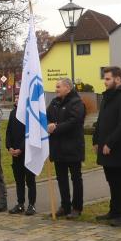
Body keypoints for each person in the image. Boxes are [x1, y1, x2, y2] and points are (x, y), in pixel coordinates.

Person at [92, 66, 121, 227]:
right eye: (105, 78)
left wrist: (110, 143)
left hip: (118, 148)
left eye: (108, 79)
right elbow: (101, 121)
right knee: (111, 180)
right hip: (105, 146)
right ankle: (114, 211)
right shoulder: (106, 97)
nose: (105, 81)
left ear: (118, 79)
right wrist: (96, 140)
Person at [46, 78, 86, 219]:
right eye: (56, 87)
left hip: (73, 147)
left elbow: (74, 122)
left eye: (58, 86)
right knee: (61, 178)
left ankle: (76, 207)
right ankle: (65, 205)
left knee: (76, 178)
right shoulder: (54, 102)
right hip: (57, 147)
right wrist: (49, 124)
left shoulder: (76, 103)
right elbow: (47, 117)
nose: (56, 89)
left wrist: (56, 127)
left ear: (67, 88)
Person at [6, 103, 36, 215]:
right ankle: (20, 203)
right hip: (15, 153)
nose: (18, 99)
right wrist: (9, 146)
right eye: (17, 97)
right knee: (19, 180)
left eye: (20, 96)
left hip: (27, 152)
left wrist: (21, 148)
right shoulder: (13, 112)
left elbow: (31, 133)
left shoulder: (30, 113)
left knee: (30, 180)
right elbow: (8, 131)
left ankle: (31, 204)